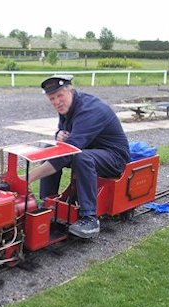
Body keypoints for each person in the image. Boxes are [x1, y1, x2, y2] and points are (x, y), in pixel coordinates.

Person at [27, 74, 130, 239]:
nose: (56, 102)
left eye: (60, 96)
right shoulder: (68, 107)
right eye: (52, 98)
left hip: (114, 157)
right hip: (90, 150)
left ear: (71, 91)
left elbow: (69, 151)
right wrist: (59, 135)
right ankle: (47, 202)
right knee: (51, 149)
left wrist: (28, 178)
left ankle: (89, 218)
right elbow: (65, 137)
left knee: (80, 157)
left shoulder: (90, 110)